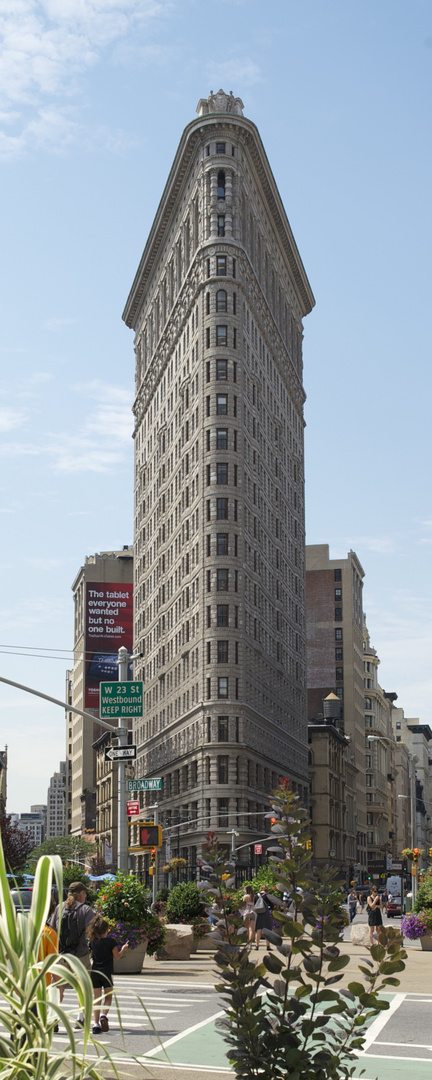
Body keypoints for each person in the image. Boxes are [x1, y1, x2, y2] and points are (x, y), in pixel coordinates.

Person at [49, 881, 95, 1028]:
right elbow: (91, 933)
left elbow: (52, 929)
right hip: (80, 954)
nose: (86, 895)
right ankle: (80, 1018)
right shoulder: (86, 910)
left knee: (57, 986)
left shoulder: (59, 907)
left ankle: (54, 1017)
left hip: (61, 954)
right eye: (85, 893)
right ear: (81, 895)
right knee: (82, 986)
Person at [87, 915, 129, 1034]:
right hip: (107, 973)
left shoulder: (92, 943)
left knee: (97, 998)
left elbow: (92, 956)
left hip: (95, 972)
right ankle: (104, 1016)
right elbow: (117, 956)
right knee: (108, 997)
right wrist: (124, 949)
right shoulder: (111, 942)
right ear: (106, 930)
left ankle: (95, 1024)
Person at [254, 886, 275, 951]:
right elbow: (271, 905)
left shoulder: (256, 896)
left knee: (258, 930)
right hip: (265, 913)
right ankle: (268, 946)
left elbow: (255, 904)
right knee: (267, 930)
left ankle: (257, 946)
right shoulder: (267, 896)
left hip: (258, 914)